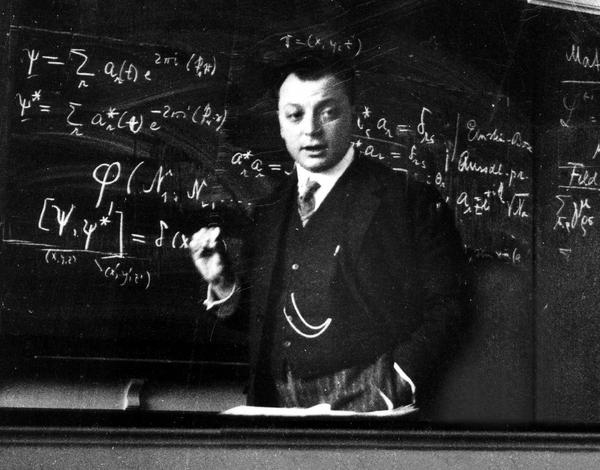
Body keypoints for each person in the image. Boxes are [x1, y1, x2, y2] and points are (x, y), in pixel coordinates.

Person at [190, 54, 466, 412]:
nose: (311, 130)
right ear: (280, 124)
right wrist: (223, 282)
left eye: (328, 112)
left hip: (372, 401)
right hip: (275, 402)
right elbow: (264, 321)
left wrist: (397, 381)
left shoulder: (409, 201)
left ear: (353, 114)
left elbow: (451, 303)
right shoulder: (269, 209)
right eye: (295, 115)